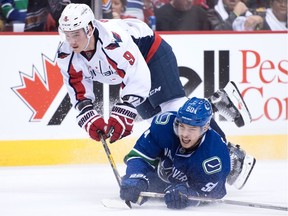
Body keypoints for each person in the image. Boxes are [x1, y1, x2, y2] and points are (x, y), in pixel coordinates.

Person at [57, 3, 255, 189]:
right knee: (158, 123)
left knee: (174, 110)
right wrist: (88, 114)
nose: (72, 41)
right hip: (130, 70)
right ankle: (215, 102)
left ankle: (230, 154)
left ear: (89, 29)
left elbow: (138, 74)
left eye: (76, 35)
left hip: (152, 54)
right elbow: (77, 87)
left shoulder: (113, 42)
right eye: (67, 35)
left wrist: (123, 111)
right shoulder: (66, 52)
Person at [120, 97, 231, 209]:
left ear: (206, 127)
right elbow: (140, 154)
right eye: (182, 126)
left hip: (196, 178)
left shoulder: (215, 158)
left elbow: (213, 194)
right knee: (133, 183)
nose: (184, 134)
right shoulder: (164, 125)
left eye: (192, 128)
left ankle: (237, 160)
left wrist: (188, 195)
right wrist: (135, 175)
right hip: (166, 173)